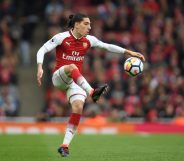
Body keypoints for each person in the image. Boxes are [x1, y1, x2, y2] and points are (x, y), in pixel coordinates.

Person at [36, 13, 145, 157]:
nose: (90, 27)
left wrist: (129, 52)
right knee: (72, 67)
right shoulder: (62, 37)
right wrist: (39, 67)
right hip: (59, 77)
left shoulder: (89, 40)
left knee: (78, 107)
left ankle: (64, 146)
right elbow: (42, 49)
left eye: (90, 24)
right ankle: (92, 92)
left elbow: (107, 46)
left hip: (73, 82)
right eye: (86, 24)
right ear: (76, 25)